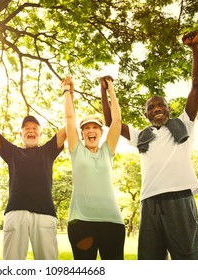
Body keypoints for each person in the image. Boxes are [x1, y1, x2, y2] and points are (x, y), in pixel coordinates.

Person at [101, 31, 198, 260]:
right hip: (150, 203)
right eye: (151, 107)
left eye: (161, 105)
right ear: (146, 114)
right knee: (150, 260)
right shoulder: (142, 135)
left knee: (189, 259)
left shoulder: (183, 125)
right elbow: (111, 123)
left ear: (168, 109)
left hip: (179, 199)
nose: (156, 108)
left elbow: (197, 86)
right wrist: (105, 90)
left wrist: (195, 49)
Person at [0, 106, 66, 260]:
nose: (31, 130)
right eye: (27, 128)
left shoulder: (48, 151)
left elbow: (69, 126)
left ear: (40, 133)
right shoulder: (13, 152)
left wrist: (68, 93)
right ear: (21, 134)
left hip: (45, 213)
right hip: (16, 212)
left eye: (35, 128)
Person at [62, 76, 125, 260]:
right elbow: (69, 117)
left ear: (100, 132)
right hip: (81, 222)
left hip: (112, 221)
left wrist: (110, 88)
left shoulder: (107, 151)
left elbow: (117, 122)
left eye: (95, 128)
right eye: (87, 128)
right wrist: (67, 91)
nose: (91, 131)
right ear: (82, 134)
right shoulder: (76, 150)